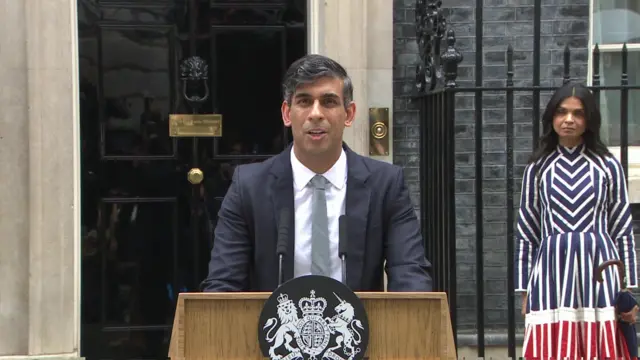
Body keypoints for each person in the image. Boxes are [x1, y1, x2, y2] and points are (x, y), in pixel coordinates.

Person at [200, 54, 432, 292]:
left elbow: (410, 275)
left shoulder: (386, 185)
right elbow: (223, 284)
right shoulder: (248, 187)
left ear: (349, 114)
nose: (316, 113)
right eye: (304, 101)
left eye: (329, 102)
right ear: (287, 114)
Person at [515, 82, 639, 359]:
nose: (569, 120)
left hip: (600, 270)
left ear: (589, 119)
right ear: (552, 117)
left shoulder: (607, 165)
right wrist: (524, 290)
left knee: (602, 345)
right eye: (562, 112)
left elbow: (622, 227)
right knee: (553, 348)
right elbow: (527, 230)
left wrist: (627, 287)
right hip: (551, 272)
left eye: (578, 113)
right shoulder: (537, 168)